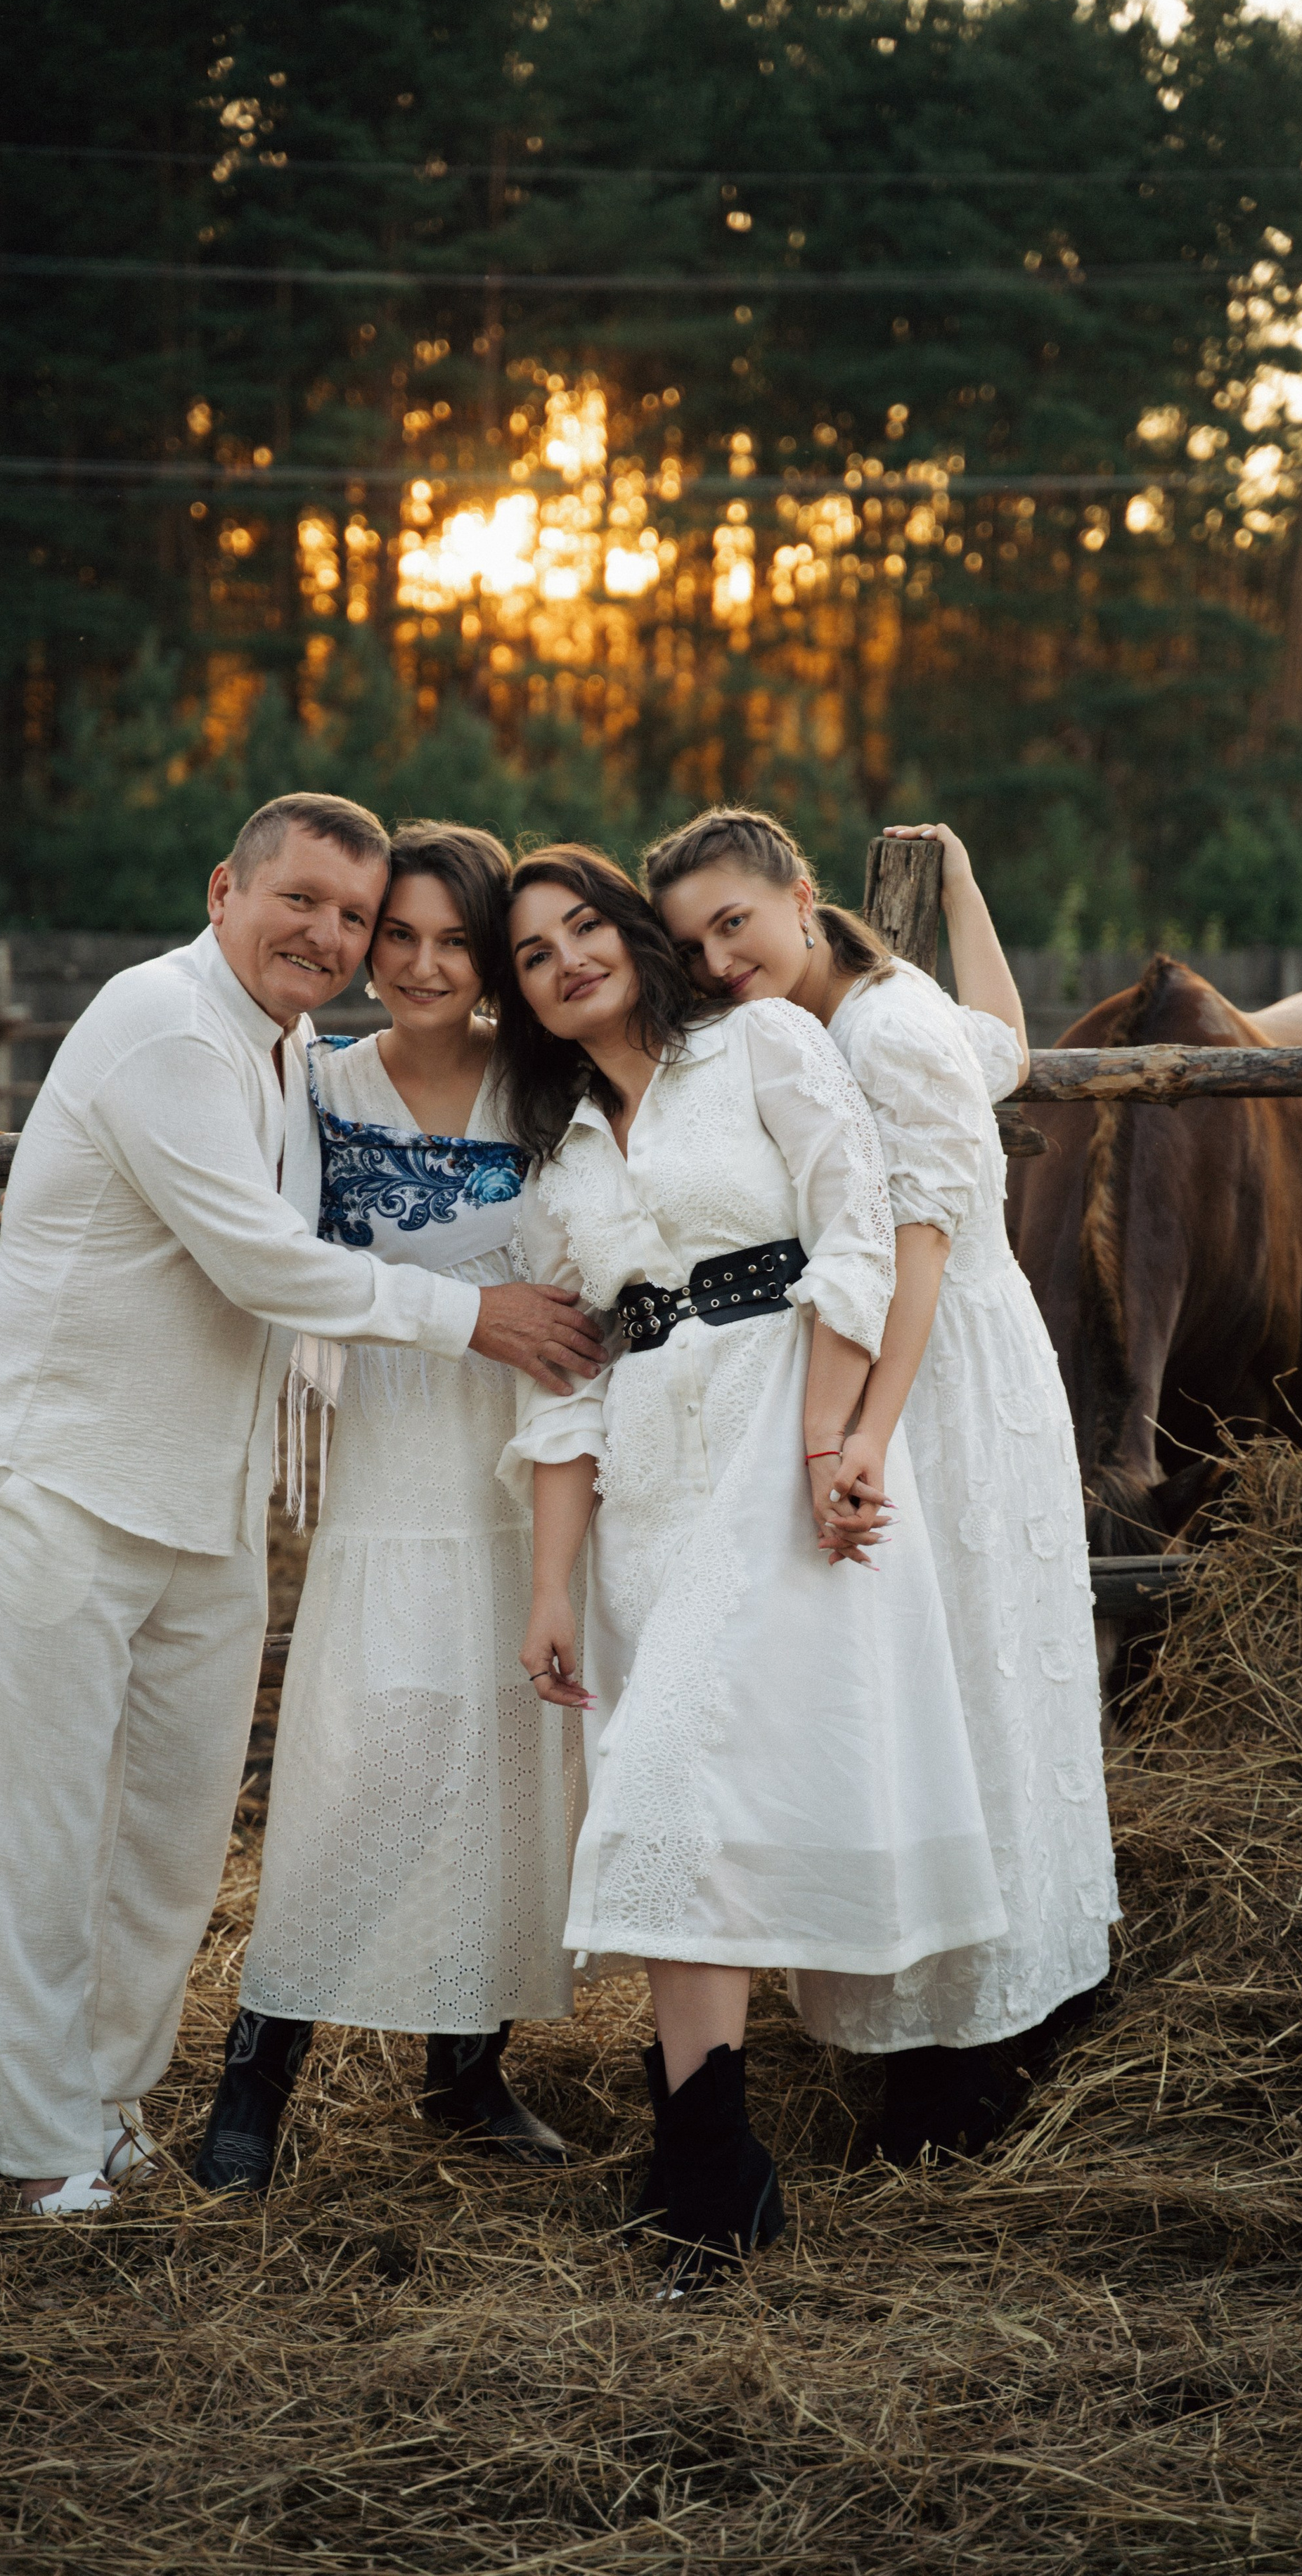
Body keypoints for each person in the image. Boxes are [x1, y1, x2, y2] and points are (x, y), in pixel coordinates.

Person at [0, 793, 601, 2215]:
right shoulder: (168, 1028)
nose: (331, 934)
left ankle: (114, 2107)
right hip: (62, 1473)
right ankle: (47, 2144)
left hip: (209, 1498)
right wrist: (468, 1315)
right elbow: (258, 1260)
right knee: (45, 1829)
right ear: (226, 885)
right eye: (304, 901)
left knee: (172, 1842)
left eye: (348, 916)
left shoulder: (290, 1047)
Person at [494, 844, 1006, 2289]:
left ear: (630, 938)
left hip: (781, 1440)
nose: (564, 964)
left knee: (665, 1783)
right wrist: (551, 1584)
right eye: (530, 957)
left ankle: (705, 2169)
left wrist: (825, 1445)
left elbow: (853, 1236)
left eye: (582, 929)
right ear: (519, 997)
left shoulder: (761, 1045)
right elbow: (567, 1389)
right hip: (649, 1478)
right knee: (682, 1813)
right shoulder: (560, 1156)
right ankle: (713, 2157)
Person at [645, 807, 1118, 2162]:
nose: (720, 959)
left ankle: (969, 2040)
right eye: (693, 943)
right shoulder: (881, 1001)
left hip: (943, 1377)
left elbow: (919, 1242)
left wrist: (864, 1430)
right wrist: (968, 885)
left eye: (736, 921)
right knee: (968, 1674)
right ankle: (971, 1996)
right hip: (946, 1363)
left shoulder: (877, 1031)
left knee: (959, 1672)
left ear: (801, 896)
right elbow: (1013, 1049)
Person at [193, 823, 577, 2195]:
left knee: (504, 1773)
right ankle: (255, 2072)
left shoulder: (547, 1095)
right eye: (394, 934)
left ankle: (466, 2071)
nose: (418, 964)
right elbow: (267, 1255)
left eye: (452, 941)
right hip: (388, 1474)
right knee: (362, 1768)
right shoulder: (321, 1088)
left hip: (517, 1468)